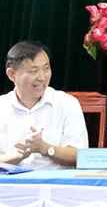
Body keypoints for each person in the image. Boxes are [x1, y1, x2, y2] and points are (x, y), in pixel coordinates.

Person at [0, 41, 87, 169]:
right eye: (33, 71)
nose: (42, 77)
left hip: (56, 180)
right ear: (12, 74)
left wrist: (45, 148)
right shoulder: (2, 106)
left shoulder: (67, 103)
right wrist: (13, 157)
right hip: (9, 180)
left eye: (46, 68)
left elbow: (81, 156)